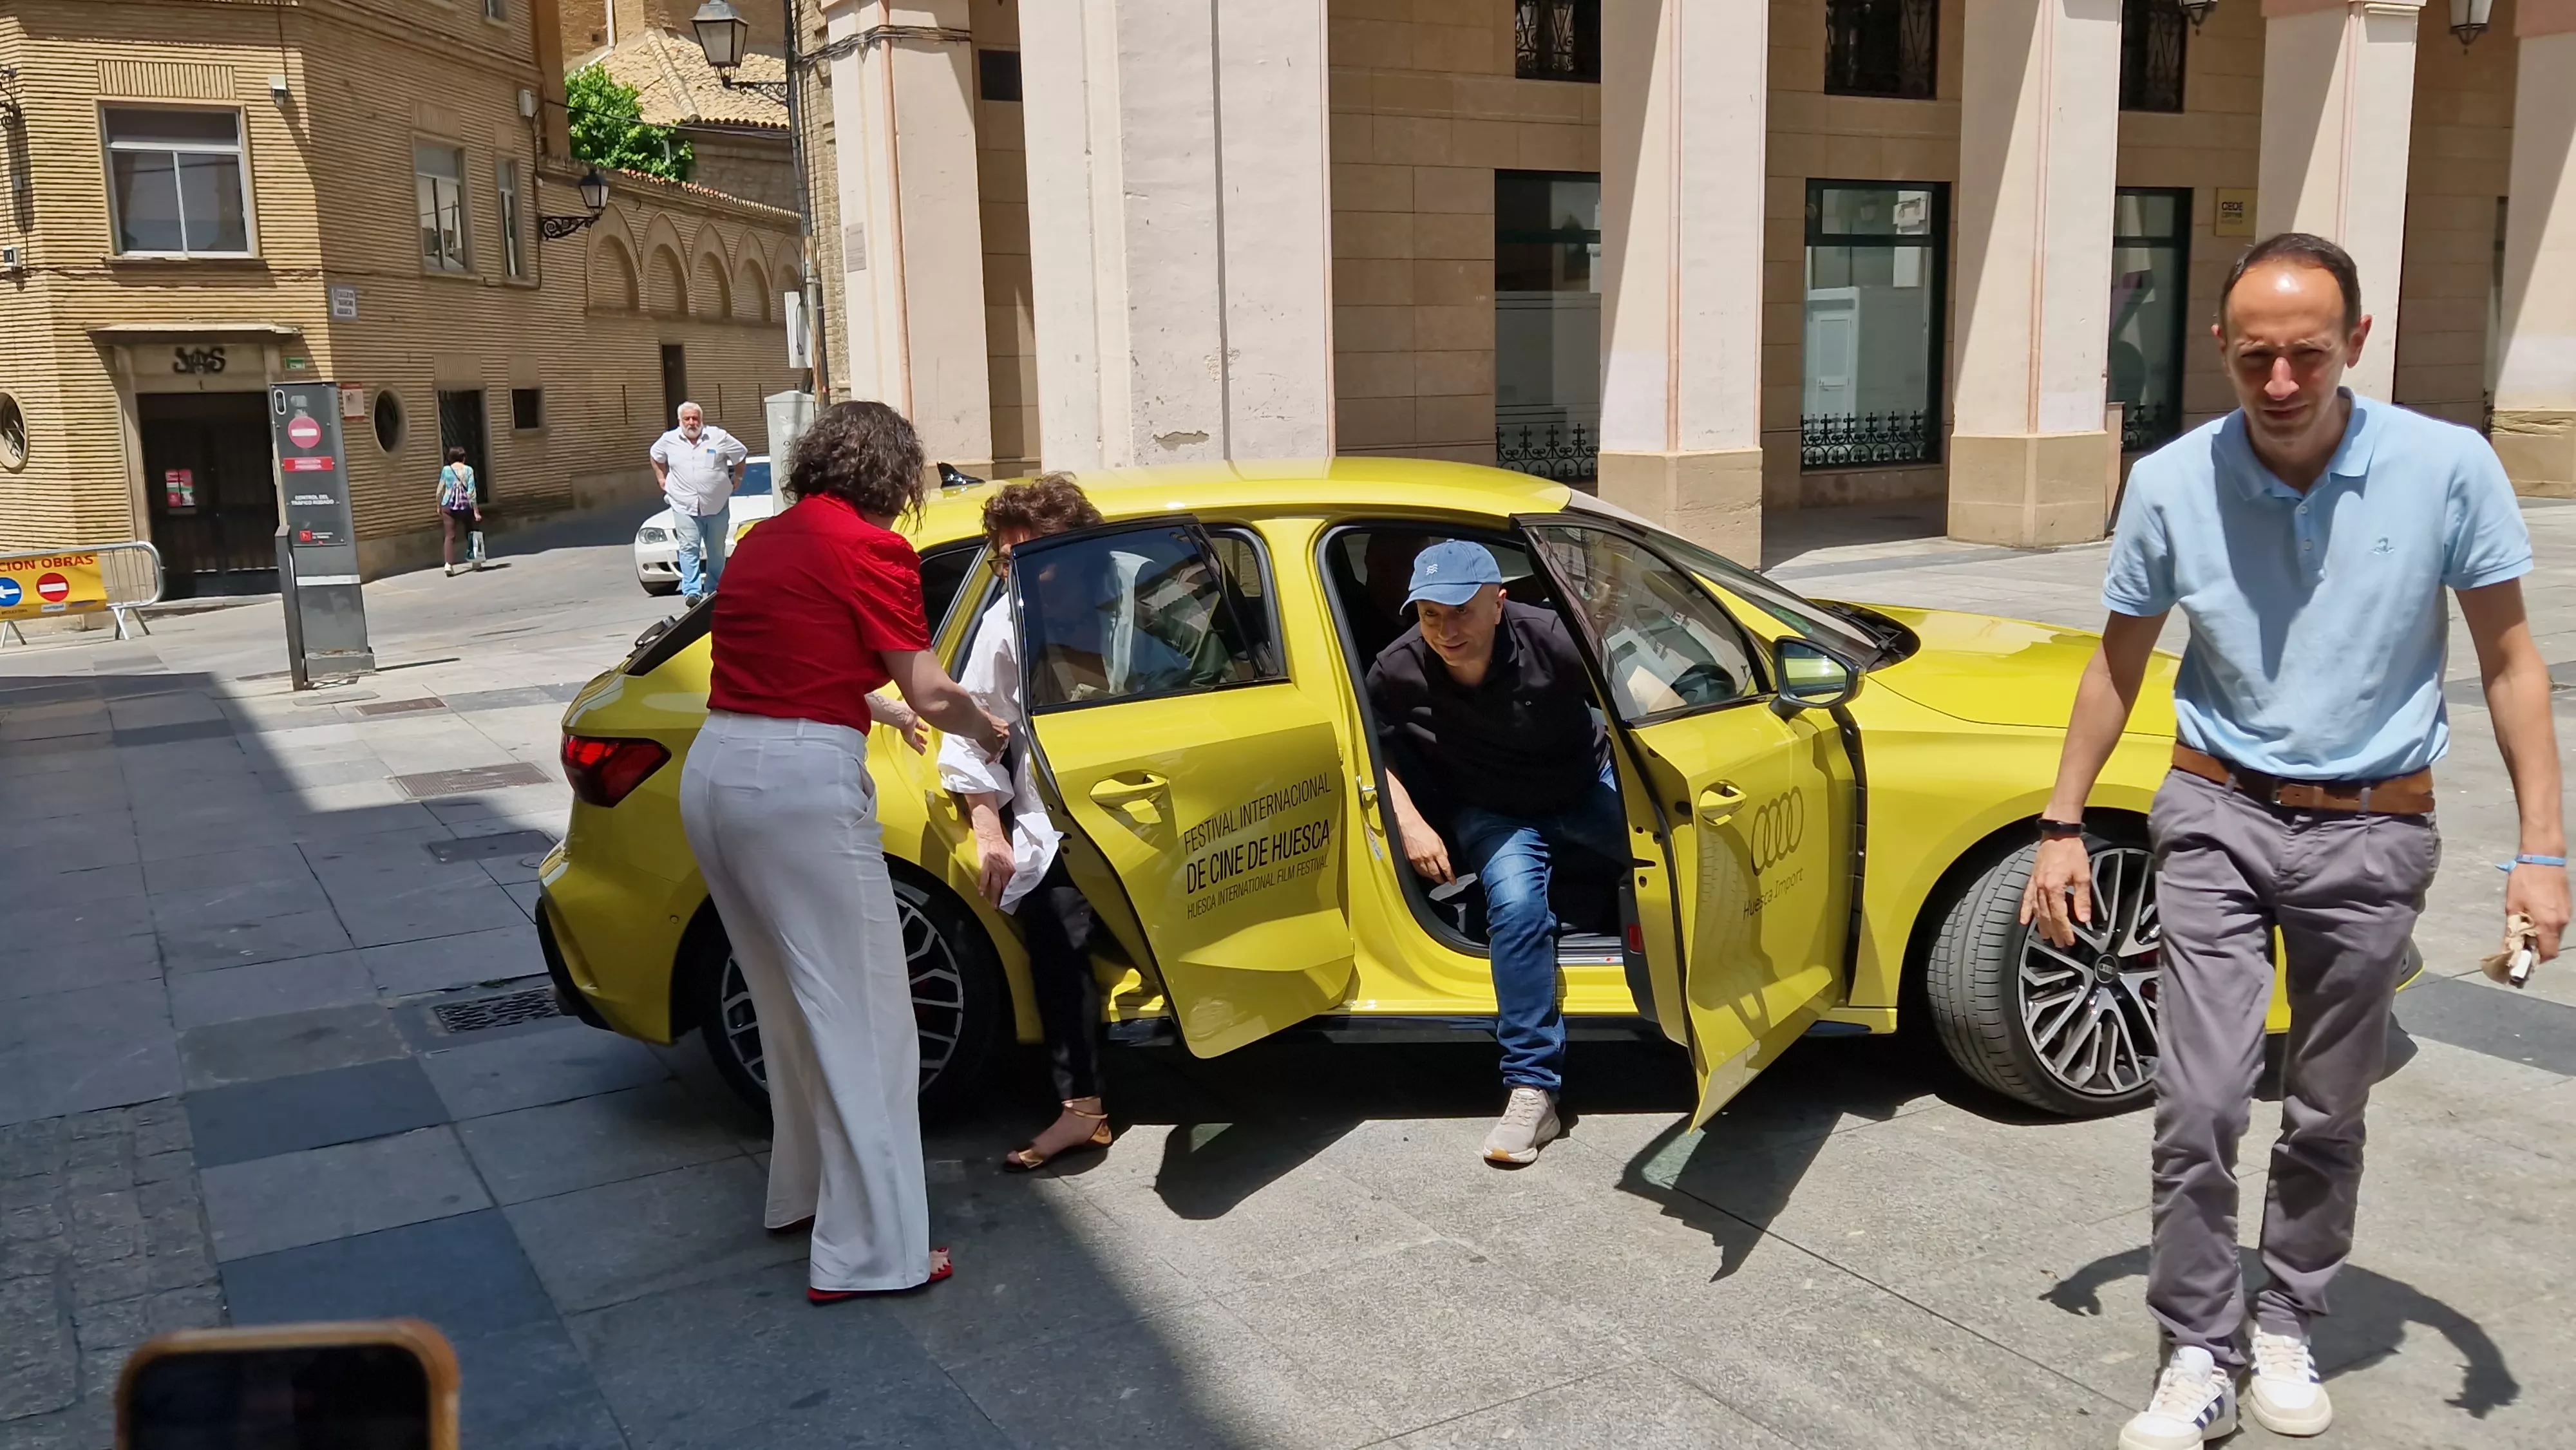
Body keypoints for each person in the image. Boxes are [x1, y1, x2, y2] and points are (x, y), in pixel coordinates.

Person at [2020, 232, 2567, 1449]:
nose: (2280, 382)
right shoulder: (2172, 480)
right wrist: (2063, 823)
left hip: (2375, 827)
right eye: (2255, 356)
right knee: (2198, 1098)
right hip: (2218, 812)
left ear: (2356, 341)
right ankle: (2197, 1349)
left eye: (2308, 355)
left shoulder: (2447, 466)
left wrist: (2543, 852)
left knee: (2326, 1108)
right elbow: (2118, 661)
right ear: (2220, 344)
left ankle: (2286, 1318)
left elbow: (2511, 661)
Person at [678, 400, 1009, 1304]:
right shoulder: (872, 548)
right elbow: (935, 690)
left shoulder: (764, 539)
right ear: (893, 475)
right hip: (797, 787)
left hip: (717, 774)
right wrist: (989, 728)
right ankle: (869, 1255)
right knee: (868, 1020)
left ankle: (804, 1195)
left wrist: (882, 707)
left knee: (786, 1006)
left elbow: (795, 659)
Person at [1365, 540, 1622, 1165]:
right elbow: (1370, 750)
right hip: (1494, 810)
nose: (1445, 630)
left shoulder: (1556, 638)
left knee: (1684, 857)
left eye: (1461, 612)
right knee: (1516, 907)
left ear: (1499, 602)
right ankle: (1533, 1090)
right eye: (1430, 614)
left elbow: (1643, 703)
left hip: (1584, 785)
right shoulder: (1395, 668)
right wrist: (1409, 823)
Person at [935, 474, 1122, 1171]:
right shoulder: (1004, 624)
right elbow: (972, 731)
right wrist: (990, 831)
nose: (1014, 571)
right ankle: (1083, 1109)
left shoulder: (1133, 600)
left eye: (1030, 557)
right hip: (1062, 816)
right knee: (1059, 925)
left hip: (1151, 798)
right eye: (1005, 559)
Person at [650, 400, 749, 603]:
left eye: (695, 418)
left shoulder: (718, 437)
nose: (691, 422)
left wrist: (738, 477)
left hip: (716, 506)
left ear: (701, 420)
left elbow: (740, 454)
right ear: (680, 421)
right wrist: (661, 478)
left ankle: (714, 589)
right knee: (688, 549)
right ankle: (692, 592)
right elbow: (655, 456)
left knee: (716, 550)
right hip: (684, 505)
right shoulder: (668, 440)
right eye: (687, 419)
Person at [437, 447, 480, 577]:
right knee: (471, 532)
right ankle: (476, 561)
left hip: (448, 505)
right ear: (463, 458)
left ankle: (448, 565)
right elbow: (472, 492)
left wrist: (439, 506)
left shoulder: (446, 470)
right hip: (465, 506)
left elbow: (439, 490)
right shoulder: (468, 470)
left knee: (449, 536)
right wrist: (476, 511)